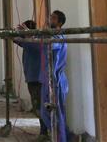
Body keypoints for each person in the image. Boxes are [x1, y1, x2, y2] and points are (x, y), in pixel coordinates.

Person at [40, 10, 70, 142]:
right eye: (50, 17)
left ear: (60, 23)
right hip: (49, 79)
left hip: (56, 80)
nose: (50, 19)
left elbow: (51, 45)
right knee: (47, 112)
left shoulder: (58, 37)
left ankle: (62, 139)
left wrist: (43, 32)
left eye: (53, 18)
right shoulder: (52, 36)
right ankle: (62, 138)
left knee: (56, 114)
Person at [12, 19, 44, 130]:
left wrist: (24, 32)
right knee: (38, 107)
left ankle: (45, 132)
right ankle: (44, 131)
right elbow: (15, 39)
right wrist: (15, 31)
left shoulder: (34, 43)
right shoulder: (29, 42)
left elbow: (18, 39)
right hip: (33, 78)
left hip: (36, 79)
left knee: (39, 107)